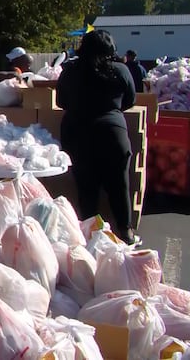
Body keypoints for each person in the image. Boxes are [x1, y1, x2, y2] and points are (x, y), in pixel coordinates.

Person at [56, 30, 139, 245]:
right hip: (112, 134)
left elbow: (61, 102)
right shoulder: (120, 70)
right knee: (119, 187)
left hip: (77, 134)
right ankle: (125, 233)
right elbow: (129, 100)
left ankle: (90, 241)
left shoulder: (70, 71)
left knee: (86, 189)